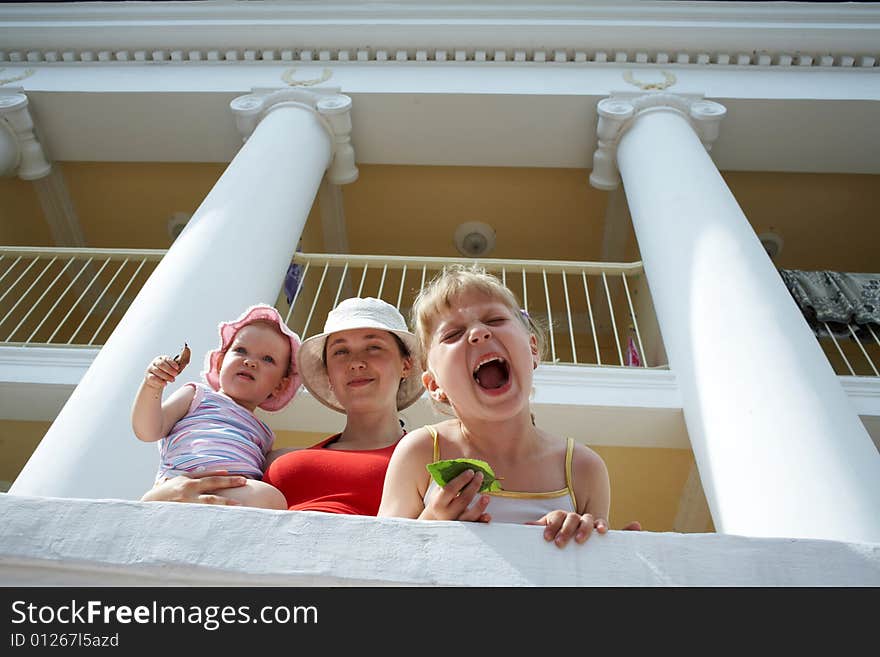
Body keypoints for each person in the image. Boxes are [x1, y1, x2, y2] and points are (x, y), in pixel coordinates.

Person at [378, 265, 624, 547]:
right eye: (453, 334)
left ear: (532, 349)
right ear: (435, 386)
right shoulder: (420, 453)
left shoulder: (583, 468)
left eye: (494, 320)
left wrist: (580, 532)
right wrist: (431, 521)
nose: (478, 333)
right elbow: (383, 556)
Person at [140, 297, 423, 517]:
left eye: (373, 347)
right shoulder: (270, 457)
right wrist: (155, 499)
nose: (356, 362)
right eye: (340, 351)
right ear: (328, 374)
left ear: (406, 364)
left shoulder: (428, 455)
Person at [132, 304, 301, 510]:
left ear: (279, 385)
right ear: (220, 363)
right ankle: (154, 500)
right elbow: (148, 430)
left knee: (270, 498)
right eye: (240, 350)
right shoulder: (197, 395)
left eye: (267, 359)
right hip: (180, 483)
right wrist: (152, 385)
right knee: (269, 498)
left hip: (233, 494)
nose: (250, 362)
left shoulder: (264, 435)